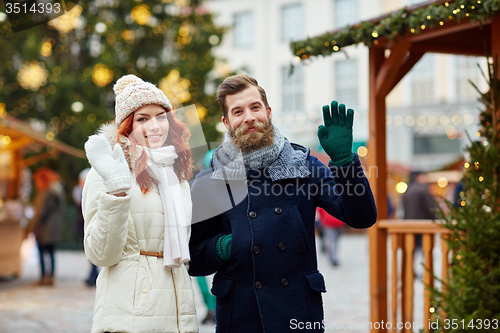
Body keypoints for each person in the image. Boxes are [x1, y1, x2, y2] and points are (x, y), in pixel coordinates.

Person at [188, 75, 377, 332]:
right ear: (227, 122)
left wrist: (344, 161)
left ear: (268, 111)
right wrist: (225, 247)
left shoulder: (304, 166)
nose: (249, 117)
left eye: (255, 107)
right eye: (238, 111)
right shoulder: (210, 180)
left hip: (297, 313)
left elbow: (362, 218)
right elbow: (195, 258)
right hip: (240, 316)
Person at [82, 74, 198, 333]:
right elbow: (100, 254)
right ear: (127, 126)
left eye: (160, 116)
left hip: (178, 315)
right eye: (142, 119)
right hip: (131, 316)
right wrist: (117, 195)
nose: (154, 126)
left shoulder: (176, 175)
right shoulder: (107, 172)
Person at [30, 167, 65, 286]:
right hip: (53, 227)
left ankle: (43, 277)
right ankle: (51, 277)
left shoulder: (45, 192)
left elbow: (40, 212)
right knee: (51, 253)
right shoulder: (55, 191)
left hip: (44, 228)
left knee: (42, 252)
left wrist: (32, 227)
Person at [73, 168, 99, 286]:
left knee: (91, 248)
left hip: (90, 223)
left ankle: (93, 275)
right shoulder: (81, 191)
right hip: (85, 222)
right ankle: (93, 274)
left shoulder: (89, 192)